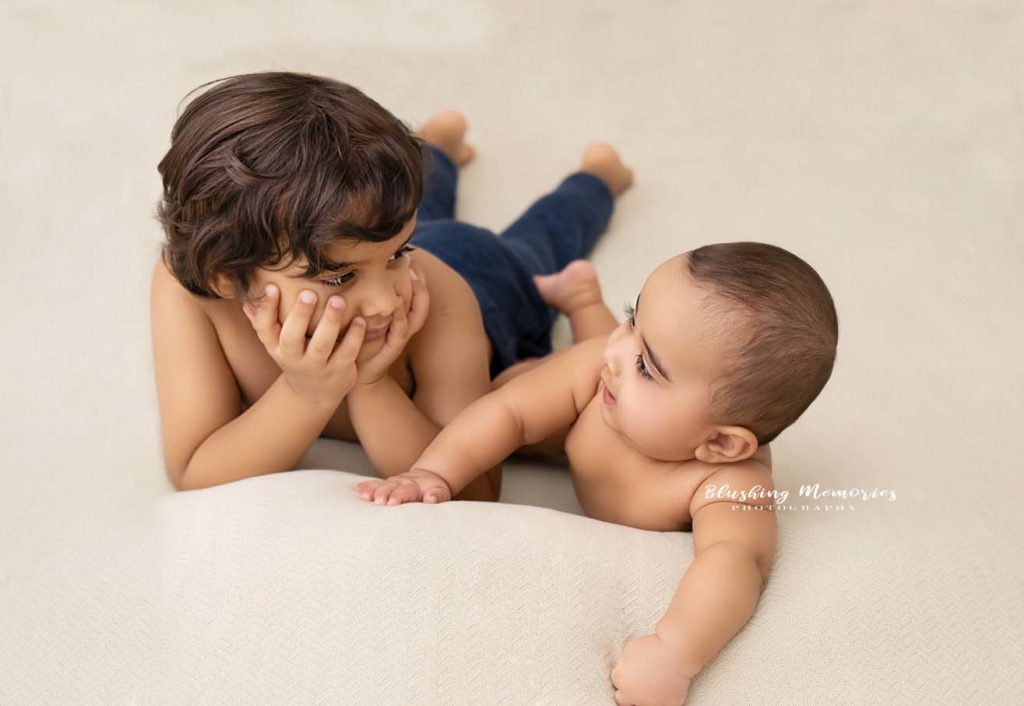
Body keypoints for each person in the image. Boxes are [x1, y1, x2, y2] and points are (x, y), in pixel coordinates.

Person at [355, 242, 839, 705]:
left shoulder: (728, 483)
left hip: (589, 407)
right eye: (633, 317)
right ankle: (582, 296)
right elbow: (510, 413)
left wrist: (674, 654)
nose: (617, 351)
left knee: (597, 347)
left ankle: (583, 295)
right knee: (550, 367)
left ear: (719, 444)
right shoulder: (598, 371)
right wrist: (433, 472)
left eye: (648, 368)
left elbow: (735, 562)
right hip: (541, 385)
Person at [150, 71, 633, 494]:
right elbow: (196, 469)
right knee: (405, 224)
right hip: (386, 235)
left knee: (538, 241)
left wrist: (370, 383)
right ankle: (441, 144)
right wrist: (308, 392)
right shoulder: (190, 291)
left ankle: (597, 179)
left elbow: (476, 491)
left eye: (399, 251)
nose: (384, 303)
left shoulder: (440, 298)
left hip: (490, 280)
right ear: (224, 274)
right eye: (338, 276)